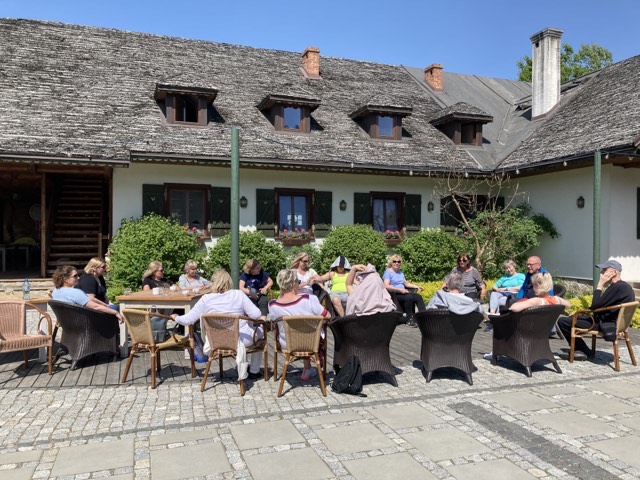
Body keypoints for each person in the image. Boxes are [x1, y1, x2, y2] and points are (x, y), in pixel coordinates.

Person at [171, 269, 265, 379]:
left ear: (213, 282)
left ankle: (245, 367)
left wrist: (176, 317)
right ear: (229, 281)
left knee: (251, 329)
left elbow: (187, 320)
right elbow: (256, 314)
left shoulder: (206, 299)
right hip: (241, 340)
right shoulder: (238, 294)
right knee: (261, 331)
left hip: (216, 342)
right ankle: (254, 371)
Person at [557, 260, 635, 359]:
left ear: (614, 272)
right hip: (613, 323)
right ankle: (579, 350)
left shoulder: (617, 287)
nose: (601, 272)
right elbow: (601, 306)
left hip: (605, 325)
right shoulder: (625, 286)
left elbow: (595, 306)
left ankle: (583, 351)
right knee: (574, 318)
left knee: (563, 321)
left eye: (604, 270)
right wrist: (582, 313)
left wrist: (600, 285)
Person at [483, 272, 569, 360]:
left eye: (532, 286)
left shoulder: (537, 301)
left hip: (527, 331)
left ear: (537, 285)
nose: (532, 288)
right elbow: (568, 305)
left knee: (500, 324)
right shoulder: (557, 299)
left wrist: (526, 302)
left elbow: (514, 308)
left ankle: (497, 353)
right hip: (543, 331)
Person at [268, 269, 330, 381]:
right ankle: (309, 369)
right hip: (311, 343)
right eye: (298, 281)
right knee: (310, 330)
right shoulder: (309, 299)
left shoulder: (272, 305)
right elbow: (328, 316)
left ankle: (307, 368)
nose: (299, 283)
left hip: (287, 344)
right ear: (293, 283)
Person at [51, 265, 123, 323]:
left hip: (67, 324)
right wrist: (115, 312)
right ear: (65, 279)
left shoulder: (55, 291)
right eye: (75, 276)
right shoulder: (75, 292)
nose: (78, 278)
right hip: (85, 324)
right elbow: (96, 307)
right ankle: (116, 336)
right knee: (115, 307)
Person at [382, 254, 425, 327]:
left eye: (398, 262)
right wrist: (399, 289)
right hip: (394, 294)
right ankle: (409, 319)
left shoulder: (400, 273)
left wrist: (417, 286)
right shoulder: (388, 272)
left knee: (418, 297)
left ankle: (423, 317)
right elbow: (386, 285)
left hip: (404, 293)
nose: (397, 263)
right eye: (394, 261)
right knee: (408, 297)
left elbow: (406, 284)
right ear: (391, 262)